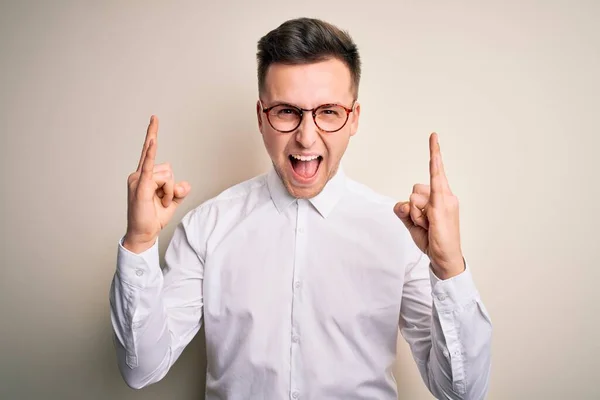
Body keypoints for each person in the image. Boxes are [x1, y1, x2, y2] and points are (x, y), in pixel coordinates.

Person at [109, 17, 492, 400]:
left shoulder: (399, 232)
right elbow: (141, 369)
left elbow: (462, 393)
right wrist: (140, 242)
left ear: (353, 118)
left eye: (328, 111)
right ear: (261, 117)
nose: (306, 137)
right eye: (287, 111)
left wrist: (449, 267)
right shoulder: (206, 228)